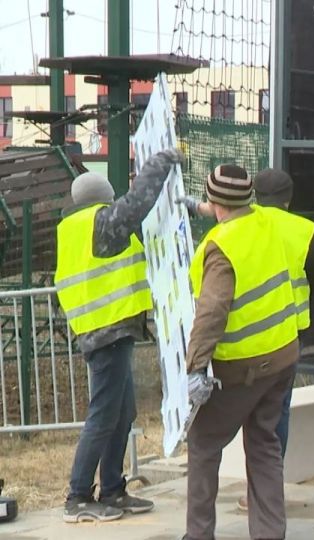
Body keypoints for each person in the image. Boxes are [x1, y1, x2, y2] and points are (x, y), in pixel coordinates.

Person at [55, 149, 182, 523]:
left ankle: (112, 488)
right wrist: (160, 163)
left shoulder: (78, 228)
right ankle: (78, 496)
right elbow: (135, 204)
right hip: (106, 333)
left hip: (108, 332)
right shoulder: (100, 225)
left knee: (122, 412)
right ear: (103, 199)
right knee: (103, 416)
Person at [182, 165, 299, 540]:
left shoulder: (221, 248)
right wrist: (200, 207)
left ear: (216, 202)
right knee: (264, 445)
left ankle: (198, 534)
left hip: (243, 368)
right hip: (283, 357)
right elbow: (230, 205)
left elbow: (211, 311)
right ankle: (269, 533)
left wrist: (196, 368)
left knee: (203, 442)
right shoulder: (265, 221)